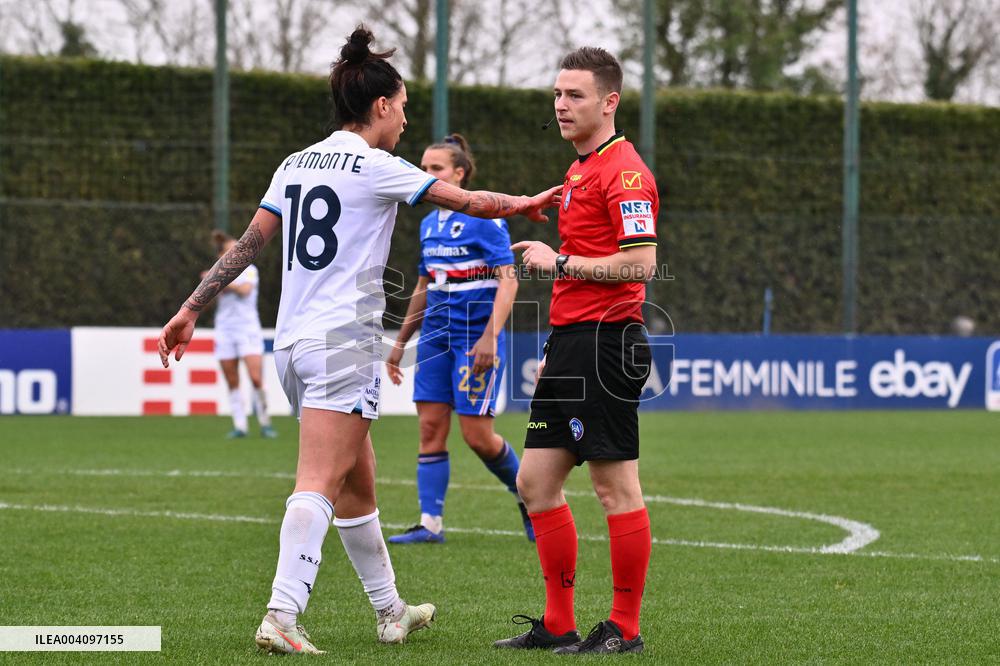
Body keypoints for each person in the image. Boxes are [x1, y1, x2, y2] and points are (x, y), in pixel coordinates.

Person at [158, 26, 559, 655]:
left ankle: (390, 610)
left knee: (358, 481)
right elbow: (472, 200)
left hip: (291, 344)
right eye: (401, 106)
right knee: (320, 477)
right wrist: (528, 202)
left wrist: (189, 307)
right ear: (379, 106)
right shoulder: (377, 165)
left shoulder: (294, 163)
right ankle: (283, 613)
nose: (405, 118)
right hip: (344, 343)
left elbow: (249, 243)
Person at [494, 47, 658, 655]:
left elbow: (643, 262)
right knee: (536, 482)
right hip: (568, 344)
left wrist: (560, 261)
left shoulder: (626, 171)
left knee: (616, 488)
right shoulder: (581, 169)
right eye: (557, 95)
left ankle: (625, 627)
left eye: (575, 96)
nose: (561, 106)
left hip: (605, 345)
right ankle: (558, 623)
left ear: (609, 101)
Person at [384, 133, 532, 545]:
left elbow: (509, 280)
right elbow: (423, 286)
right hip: (435, 339)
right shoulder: (430, 223)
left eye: (436, 169)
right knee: (430, 428)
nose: (426, 175)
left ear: (459, 174)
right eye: (423, 168)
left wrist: (490, 337)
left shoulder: (485, 218)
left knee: (478, 437)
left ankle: (530, 499)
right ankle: (430, 524)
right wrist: (399, 344)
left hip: (475, 339)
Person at [206, 230, 277, 439]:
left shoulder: (249, 270)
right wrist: (212, 286)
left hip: (247, 329)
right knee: (232, 380)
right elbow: (207, 303)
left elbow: (245, 290)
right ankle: (240, 425)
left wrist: (221, 283)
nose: (238, 253)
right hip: (225, 329)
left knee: (256, 378)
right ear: (222, 256)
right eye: (232, 250)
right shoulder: (216, 272)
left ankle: (265, 422)